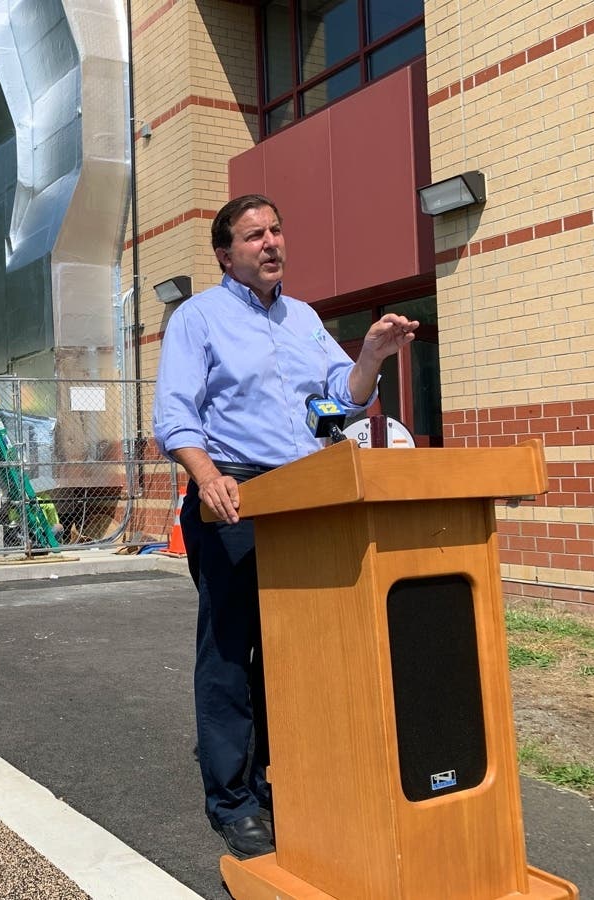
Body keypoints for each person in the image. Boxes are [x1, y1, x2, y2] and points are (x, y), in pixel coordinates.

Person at [152, 194, 417, 860]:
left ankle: (283, 779)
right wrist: (207, 477)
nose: (270, 243)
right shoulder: (198, 318)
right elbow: (176, 414)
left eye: (276, 231)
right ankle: (233, 800)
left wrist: (373, 357)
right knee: (229, 653)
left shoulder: (304, 319)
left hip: (304, 499)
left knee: (291, 651)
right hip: (233, 499)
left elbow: (339, 403)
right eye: (253, 236)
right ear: (225, 253)